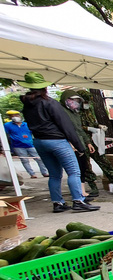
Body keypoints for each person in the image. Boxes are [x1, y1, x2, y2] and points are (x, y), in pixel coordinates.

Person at [17, 72, 100, 213]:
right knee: (74, 171)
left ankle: (58, 203)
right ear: (44, 88)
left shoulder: (27, 105)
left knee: (54, 174)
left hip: (39, 141)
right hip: (56, 141)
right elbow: (66, 125)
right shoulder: (50, 103)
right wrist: (79, 146)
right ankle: (78, 200)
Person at [76, 88, 113, 187]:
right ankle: (92, 185)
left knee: (103, 160)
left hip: (93, 140)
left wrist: (98, 126)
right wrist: (88, 128)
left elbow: (92, 121)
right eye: (85, 101)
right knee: (86, 165)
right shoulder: (75, 111)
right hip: (82, 141)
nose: (87, 104)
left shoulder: (88, 110)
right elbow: (76, 127)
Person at [59, 90, 96, 199]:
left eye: (77, 100)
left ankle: (82, 192)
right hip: (70, 144)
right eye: (72, 100)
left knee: (82, 167)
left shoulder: (75, 113)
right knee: (75, 170)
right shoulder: (62, 112)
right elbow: (64, 129)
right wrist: (70, 142)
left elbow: (79, 129)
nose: (75, 102)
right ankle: (78, 195)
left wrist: (87, 142)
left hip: (79, 143)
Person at [3, 110, 49, 178]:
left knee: (39, 158)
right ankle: (32, 174)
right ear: (10, 117)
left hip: (30, 145)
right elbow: (5, 135)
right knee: (24, 160)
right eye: (12, 116)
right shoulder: (7, 125)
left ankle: (44, 172)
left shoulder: (26, 124)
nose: (15, 117)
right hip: (18, 146)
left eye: (16, 115)